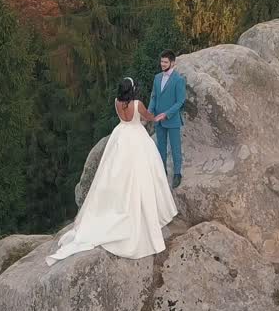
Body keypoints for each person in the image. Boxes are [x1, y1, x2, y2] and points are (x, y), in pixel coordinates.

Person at [46, 78, 179, 264]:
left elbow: (125, 118)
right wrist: (158, 116)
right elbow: (147, 117)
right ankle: (146, 211)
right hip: (136, 137)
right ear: (132, 90)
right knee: (144, 172)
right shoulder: (137, 104)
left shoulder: (117, 102)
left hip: (121, 136)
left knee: (115, 173)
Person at [148, 50, 186, 188]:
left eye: (165, 62)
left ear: (172, 62)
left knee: (175, 148)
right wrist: (149, 112)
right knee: (161, 147)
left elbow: (180, 101)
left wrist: (166, 114)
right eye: (161, 61)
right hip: (158, 120)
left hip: (172, 119)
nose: (162, 64)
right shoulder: (157, 78)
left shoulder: (179, 79)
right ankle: (161, 171)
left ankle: (177, 174)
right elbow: (154, 96)